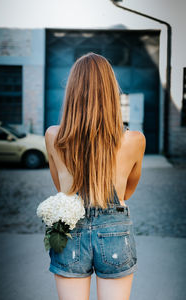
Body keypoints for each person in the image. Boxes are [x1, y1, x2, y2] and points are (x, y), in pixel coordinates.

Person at [44, 52, 146, 300]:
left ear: (72, 92)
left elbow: (62, 190)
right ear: (112, 92)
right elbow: (126, 193)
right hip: (115, 232)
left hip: (70, 231)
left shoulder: (54, 137)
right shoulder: (134, 140)